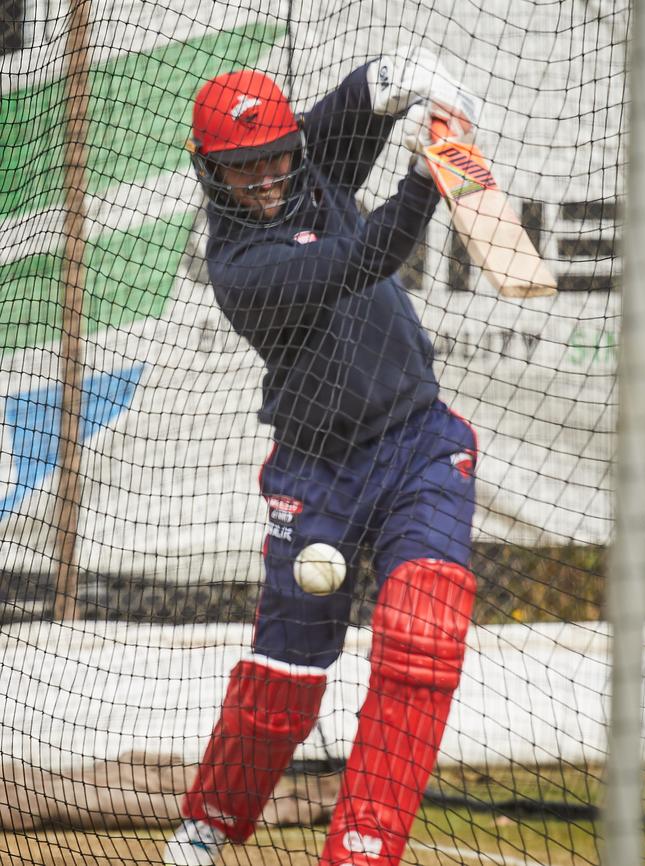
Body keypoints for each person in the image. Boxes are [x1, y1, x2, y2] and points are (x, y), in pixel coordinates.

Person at [164, 49, 480, 866]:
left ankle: (364, 848)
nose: (265, 178)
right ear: (212, 175)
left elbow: (362, 98)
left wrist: (414, 80)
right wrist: (430, 174)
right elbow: (368, 256)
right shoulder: (244, 268)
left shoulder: (311, 168)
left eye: (275, 157)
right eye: (242, 169)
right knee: (288, 672)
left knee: (424, 631)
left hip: (419, 445)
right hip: (317, 476)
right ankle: (208, 827)